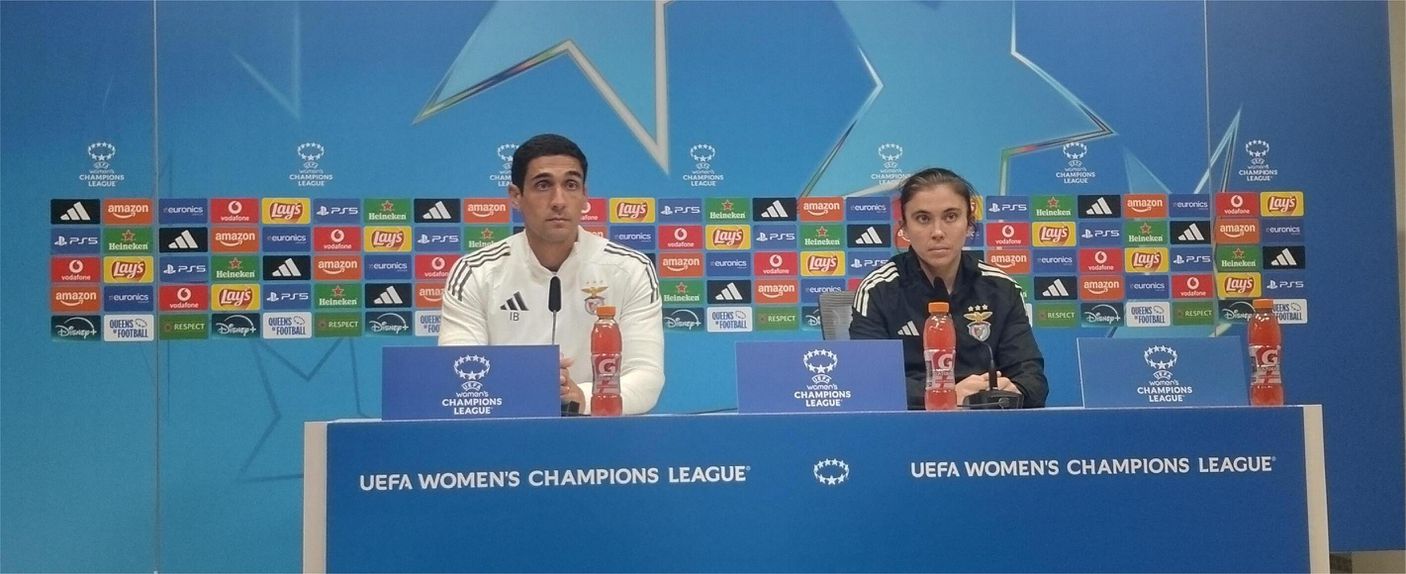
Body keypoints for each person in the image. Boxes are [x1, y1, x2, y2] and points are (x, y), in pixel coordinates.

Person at [439, 134, 664, 415]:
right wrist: (528, 383)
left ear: (584, 195)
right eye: (543, 185)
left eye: (571, 185)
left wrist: (580, 397)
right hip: (503, 437)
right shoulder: (475, 273)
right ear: (516, 196)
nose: (559, 201)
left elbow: (645, 378)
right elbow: (457, 374)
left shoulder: (631, 270)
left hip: (599, 441)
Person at [849, 167, 1047, 409]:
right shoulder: (878, 290)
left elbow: (1032, 378)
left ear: (969, 223)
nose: (938, 232)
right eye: (923, 218)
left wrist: (1016, 390)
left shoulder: (1001, 288)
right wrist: (947, 395)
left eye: (951, 216)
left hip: (986, 429)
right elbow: (870, 383)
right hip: (908, 433)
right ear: (904, 227)